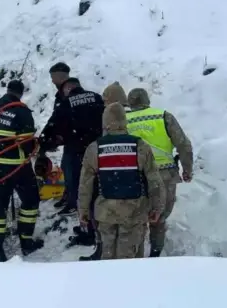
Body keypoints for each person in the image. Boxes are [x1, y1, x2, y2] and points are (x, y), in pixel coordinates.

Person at [78, 103, 165, 260]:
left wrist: (83, 210)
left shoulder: (95, 148)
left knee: (108, 255)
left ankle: (110, 283)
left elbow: (85, 184)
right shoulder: (140, 145)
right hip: (134, 211)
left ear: (105, 123)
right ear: (125, 122)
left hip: (105, 212)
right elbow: (154, 180)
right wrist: (157, 207)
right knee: (131, 255)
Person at [0, 80, 44, 261]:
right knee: (30, 201)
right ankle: (26, 241)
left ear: (7, 90)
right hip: (18, 168)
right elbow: (28, 145)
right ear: (21, 93)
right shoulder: (22, 112)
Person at [126, 88, 194, 257]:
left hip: (135, 175)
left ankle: (135, 253)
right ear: (147, 100)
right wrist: (187, 169)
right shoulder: (163, 116)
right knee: (159, 217)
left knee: (137, 217)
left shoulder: (123, 120)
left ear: (130, 103)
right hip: (164, 174)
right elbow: (183, 144)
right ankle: (155, 254)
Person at [77, 80, 129, 261]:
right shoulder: (133, 115)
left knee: (102, 218)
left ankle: (104, 252)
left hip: (111, 177)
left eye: (106, 100)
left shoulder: (113, 118)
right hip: (131, 178)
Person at [49, 77, 105, 216]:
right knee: (92, 175)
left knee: (72, 176)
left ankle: (74, 204)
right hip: (95, 144)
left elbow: (55, 124)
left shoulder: (66, 102)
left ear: (68, 88)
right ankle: (88, 202)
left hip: (75, 146)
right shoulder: (96, 97)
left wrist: (48, 142)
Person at [39, 62, 72, 209]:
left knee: (71, 169)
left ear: (59, 76)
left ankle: (72, 201)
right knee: (66, 167)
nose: (52, 81)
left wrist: (47, 137)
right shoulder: (64, 93)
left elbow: (57, 118)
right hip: (72, 139)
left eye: (53, 77)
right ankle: (69, 196)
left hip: (75, 140)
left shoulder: (67, 94)